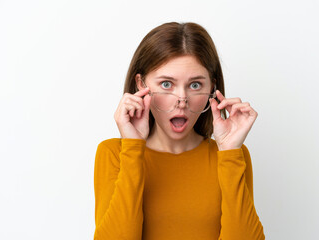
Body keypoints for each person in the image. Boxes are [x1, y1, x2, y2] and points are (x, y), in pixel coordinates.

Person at [93, 22, 265, 240]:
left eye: (194, 85)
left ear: (211, 88)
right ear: (141, 84)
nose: (181, 101)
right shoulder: (114, 154)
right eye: (166, 84)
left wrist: (230, 153)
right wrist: (133, 149)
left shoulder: (232, 155)